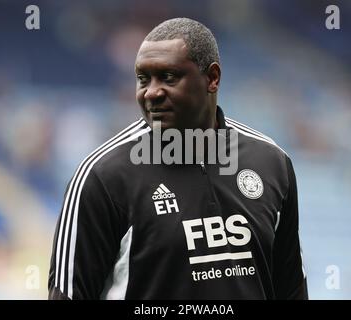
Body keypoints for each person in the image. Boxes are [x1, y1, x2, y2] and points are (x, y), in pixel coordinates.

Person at [48, 17, 308, 300]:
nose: (152, 92)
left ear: (212, 78)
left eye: (168, 77)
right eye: (143, 79)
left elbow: (291, 288)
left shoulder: (271, 163)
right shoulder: (103, 177)